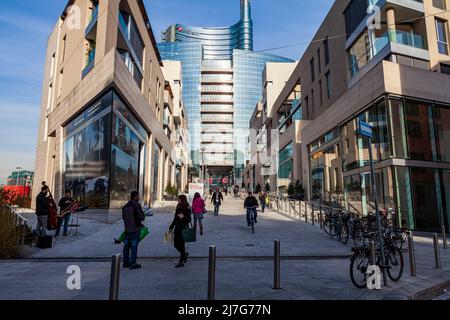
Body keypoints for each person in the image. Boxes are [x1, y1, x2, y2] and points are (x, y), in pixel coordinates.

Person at [122, 191, 145, 269]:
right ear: (135, 197)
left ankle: (125, 262)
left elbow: (123, 218)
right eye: (138, 196)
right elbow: (142, 216)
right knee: (134, 246)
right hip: (135, 229)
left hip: (127, 230)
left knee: (126, 246)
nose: (139, 198)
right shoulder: (137, 205)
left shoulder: (125, 206)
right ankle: (133, 263)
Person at [169, 195, 192, 268]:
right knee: (175, 244)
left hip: (183, 229)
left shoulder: (187, 208)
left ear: (182, 200)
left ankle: (181, 261)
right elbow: (175, 218)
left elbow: (189, 219)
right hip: (177, 229)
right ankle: (184, 254)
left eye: (178, 199)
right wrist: (171, 227)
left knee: (182, 245)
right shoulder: (178, 207)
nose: (177, 200)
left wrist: (183, 217)